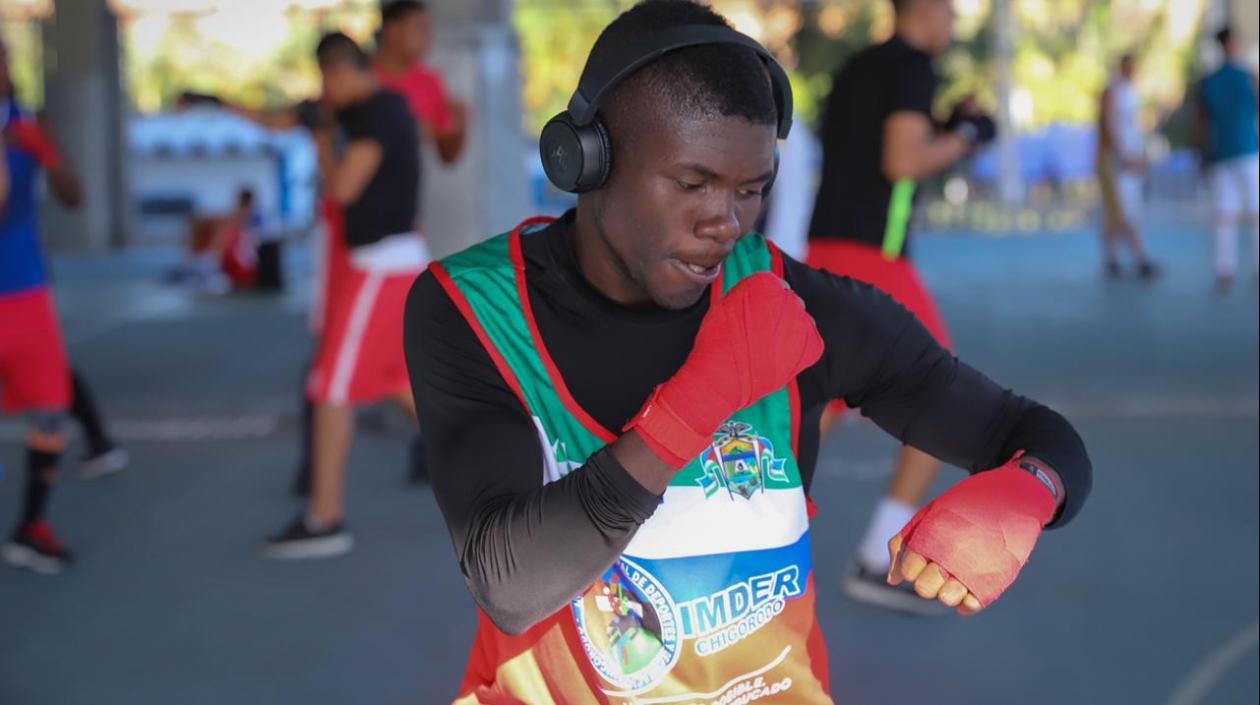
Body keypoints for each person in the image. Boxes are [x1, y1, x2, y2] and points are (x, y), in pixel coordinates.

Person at [405, 1, 1092, 701]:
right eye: (693, 183)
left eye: (751, 189)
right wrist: (700, 398)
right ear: (588, 160)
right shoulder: (473, 308)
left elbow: (1030, 431)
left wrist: (1028, 491)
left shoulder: (794, 303)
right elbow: (508, 582)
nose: (724, 222)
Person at [805, 0, 1001, 614]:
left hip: (828, 246)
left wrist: (942, 123)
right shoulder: (913, 67)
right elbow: (902, 161)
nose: (953, 21)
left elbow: (872, 149)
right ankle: (875, 557)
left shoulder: (858, 66)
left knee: (818, 402)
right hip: (874, 260)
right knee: (940, 395)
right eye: (948, 9)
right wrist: (967, 135)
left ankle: (740, 535)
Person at [260, 33, 424, 559]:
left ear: (338, 70)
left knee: (330, 388)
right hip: (387, 264)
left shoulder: (380, 111)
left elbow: (343, 189)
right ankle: (531, 464)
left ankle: (324, 519)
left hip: (381, 265)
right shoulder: (362, 113)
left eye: (325, 80)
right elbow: (281, 120)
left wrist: (319, 141)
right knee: (406, 386)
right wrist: (217, 106)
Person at [0, 45, 88, 573]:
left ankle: (31, 526)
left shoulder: (27, 127)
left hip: (26, 292)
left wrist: (49, 152)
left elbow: (76, 197)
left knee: (53, 411)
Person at [1196, 26, 1259, 294]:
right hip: (1245, 152)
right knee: (1245, 213)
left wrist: (1204, 151)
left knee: (1227, 215)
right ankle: (1228, 270)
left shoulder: (1209, 81)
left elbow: (1201, 121)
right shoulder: (1248, 77)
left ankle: (1225, 271)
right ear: (1231, 44)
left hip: (1224, 153)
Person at [374, 0, 468, 168]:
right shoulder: (364, 77)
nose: (427, 38)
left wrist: (460, 127)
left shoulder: (431, 81)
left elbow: (447, 156)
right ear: (392, 30)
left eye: (429, 30)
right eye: (420, 28)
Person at [1097, 54, 1160, 279]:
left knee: (1123, 209)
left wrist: (1140, 154)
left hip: (1130, 158)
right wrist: (1123, 157)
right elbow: (1110, 127)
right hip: (1120, 161)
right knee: (1122, 209)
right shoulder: (1113, 93)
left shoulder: (1131, 94)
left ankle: (1114, 258)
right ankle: (1136, 257)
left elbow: (1135, 128)